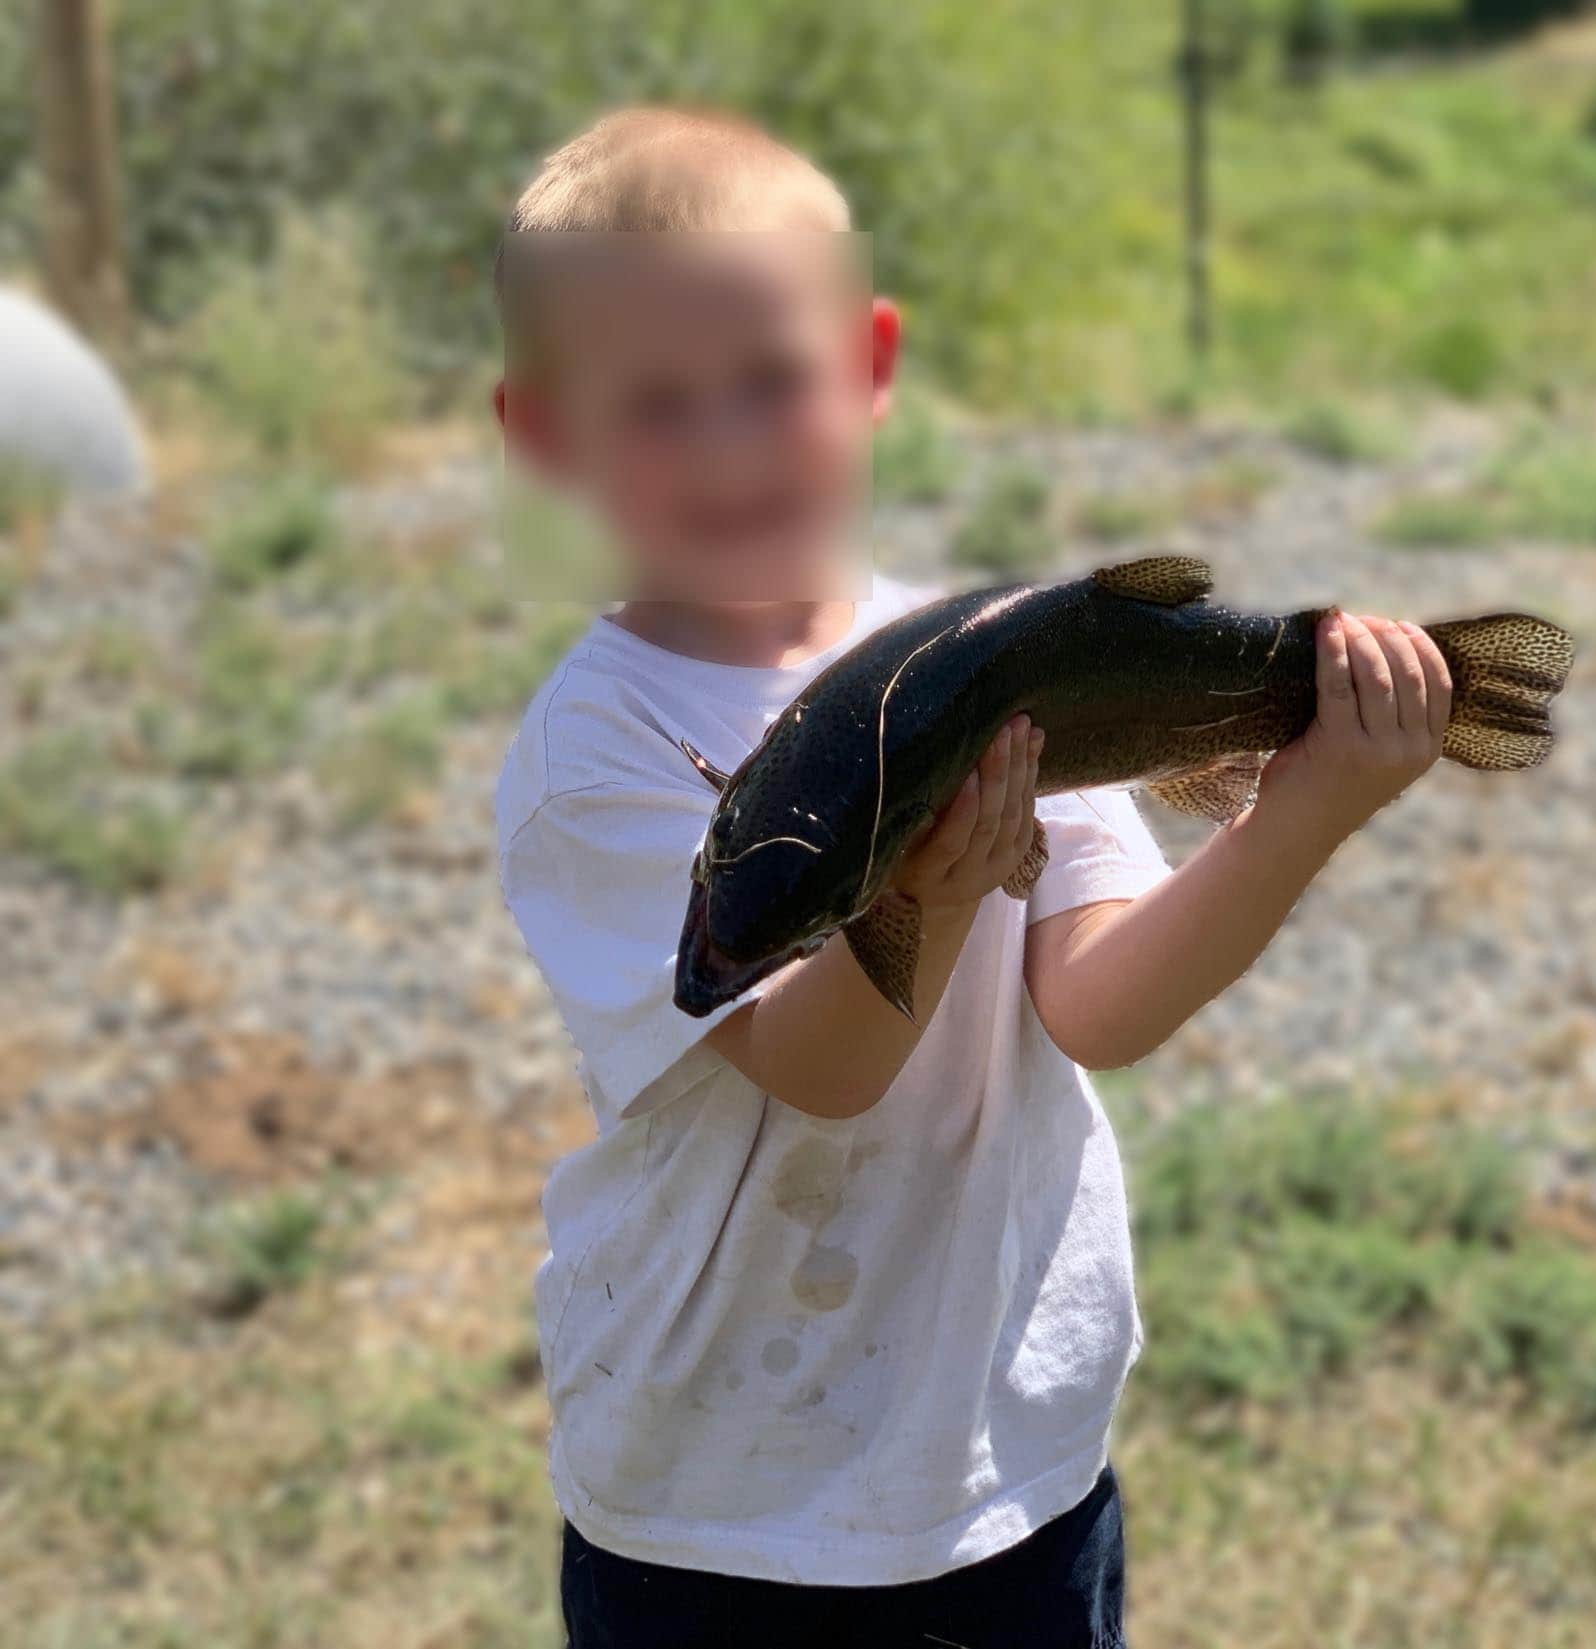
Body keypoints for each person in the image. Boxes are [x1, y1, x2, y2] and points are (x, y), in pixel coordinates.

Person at [493, 106, 1453, 1649]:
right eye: (658, 404)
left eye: (770, 382)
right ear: (553, 437)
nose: (728, 442)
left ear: (869, 366)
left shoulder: (983, 661)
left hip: (1002, 1452)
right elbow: (817, 1067)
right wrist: (935, 889)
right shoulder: (595, 748)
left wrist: (1302, 806)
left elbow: (1100, 1000)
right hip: (718, 1499)